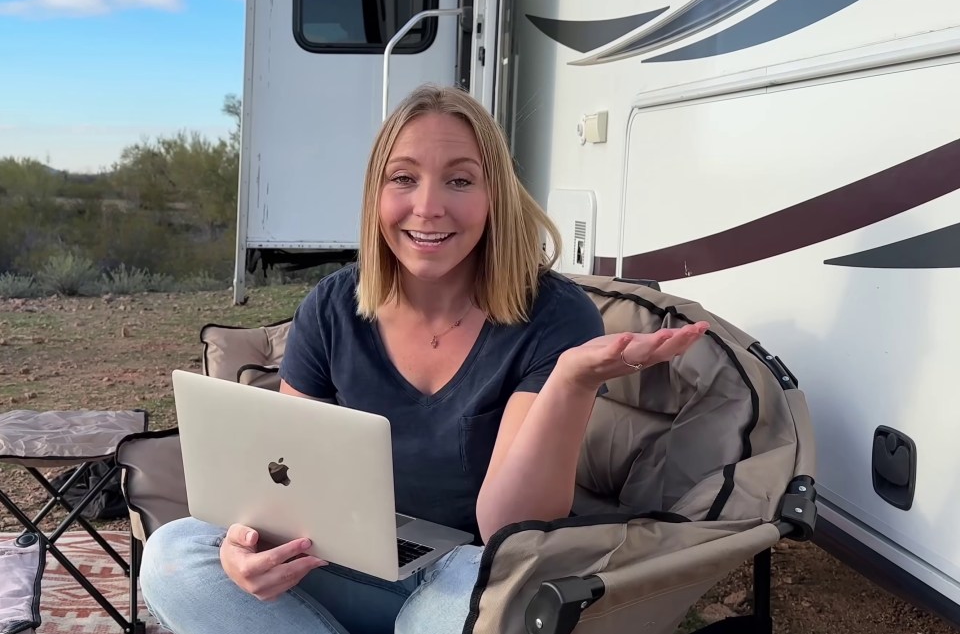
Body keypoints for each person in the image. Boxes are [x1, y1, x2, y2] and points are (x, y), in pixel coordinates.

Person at [139, 84, 708, 634]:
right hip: (349, 562)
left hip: (469, 579)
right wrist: (248, 549)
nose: (428, 207)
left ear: (495, 197)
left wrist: (571, 381)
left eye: (459, 180)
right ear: (376, 195)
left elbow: (509, 529)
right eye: (403, 179)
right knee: (175, 555)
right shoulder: (332, 307)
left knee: (473, 578)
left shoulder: (556, 318)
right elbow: (290, 492)